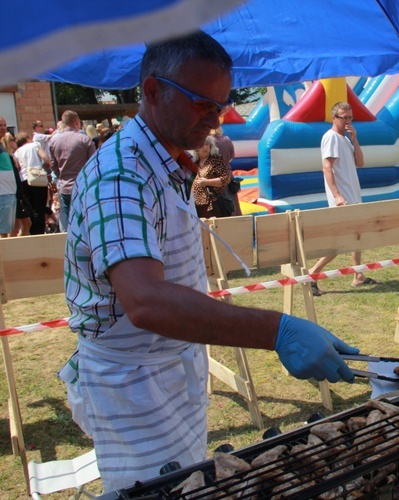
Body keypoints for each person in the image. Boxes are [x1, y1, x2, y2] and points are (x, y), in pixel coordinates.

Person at [61, 31, 359, 493]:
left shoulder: (169, 161)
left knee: (190, 483)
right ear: (153, 91)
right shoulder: (121, 175)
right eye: (202, 103)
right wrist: (276, 330)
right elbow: (146, 301)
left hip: (170, 365)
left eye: (220, 105)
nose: (215, 119)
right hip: (133, 386)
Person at [307, 102, 376, 296]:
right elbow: (327, 168)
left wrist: (355, 139)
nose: (346, 121)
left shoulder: (345, 139)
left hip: (352, 195)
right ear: (334, 118)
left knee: (357, 238)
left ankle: (358, 276)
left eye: (349, 117)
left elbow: (360, 163)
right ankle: (312, 273)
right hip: (342, 199)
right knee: (340, 243)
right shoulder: (330, 137)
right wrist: (337, 195)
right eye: (343, 117)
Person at [49, 110, 96, 232]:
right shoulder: (85, 140)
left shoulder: (53, 141)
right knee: (86, 223)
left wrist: (62, 177)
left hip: (65, 187)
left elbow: (53, 166)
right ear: (76, 122)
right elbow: (94, 164)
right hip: (84, 187)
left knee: (67, 222)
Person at [14, 132, 51, 235]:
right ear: (27, 138)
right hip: (37, 179)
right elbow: (44, 157)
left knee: (30, 208)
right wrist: (47, 164)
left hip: (24, 179)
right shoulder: (35, 145)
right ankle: (39, 231)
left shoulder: (17, 152)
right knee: (40, 208)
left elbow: (18, 167)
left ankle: (32, 232)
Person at [191, 135, 232, 218]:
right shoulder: (194, 163)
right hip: (196, 206)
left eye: (207, 145)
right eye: (202, 145)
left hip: (212, 205)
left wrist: (206, 182)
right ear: (196, 149)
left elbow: (226, 179)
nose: (205, 147)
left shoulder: (215, 160)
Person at [1, 132, 32, 236]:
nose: (15, 141)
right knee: (12, 226)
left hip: (15, 191)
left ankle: (16, 247)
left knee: (23, 223)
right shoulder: (7, 156)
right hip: (10, 192)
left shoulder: (12, 155)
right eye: (12, 139)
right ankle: (12, 248)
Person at [210, 127, 242, 216]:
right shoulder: (227, 140)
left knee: (219, 205)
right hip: (227, 173)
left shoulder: (207, 141)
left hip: (213, 175)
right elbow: (232, 156)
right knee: (233, 203)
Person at [0, 126, 17, 237]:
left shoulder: (2, 146)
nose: (4, 128)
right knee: (3, 232)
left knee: (5, 231)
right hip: (3, 194)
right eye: (0, 125)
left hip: (9, 193)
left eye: (4, 125)